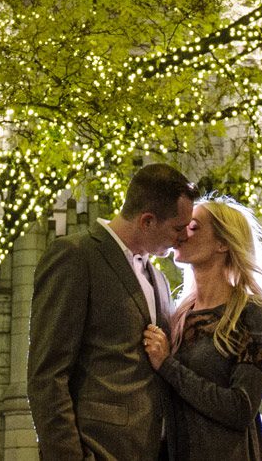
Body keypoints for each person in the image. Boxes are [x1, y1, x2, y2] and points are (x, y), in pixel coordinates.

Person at [29, 163, 197, 461]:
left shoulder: (157, 278)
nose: (182, 238)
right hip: (101, 450)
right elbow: (47, 376)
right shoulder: (76, 256)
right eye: (177, 228)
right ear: (147, 221)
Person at [143, 196, 262, 461]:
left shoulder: (249, 311)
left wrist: (167, 365)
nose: (182, 233)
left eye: (194, 227)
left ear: (222, 243)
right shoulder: (178, 313)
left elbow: (241, 408)